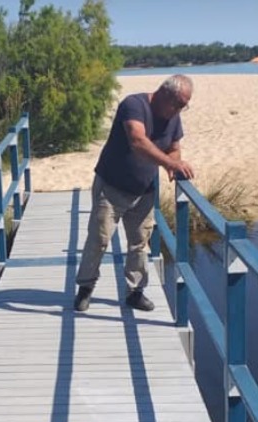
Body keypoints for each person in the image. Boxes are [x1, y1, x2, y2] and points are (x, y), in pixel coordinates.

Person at [73, 74, 195, 313]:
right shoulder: (134, 105)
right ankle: (85, 289)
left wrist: (174, 162)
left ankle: (135, 292)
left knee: (140, 243)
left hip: (145, 190)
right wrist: (170, 165)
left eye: (184, 105)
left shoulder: (173, 117)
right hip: (111, 187)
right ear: (163, 94)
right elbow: (137, 141)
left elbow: (174, 147)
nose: (181, 109)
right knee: (99, 240)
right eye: (179, 104)